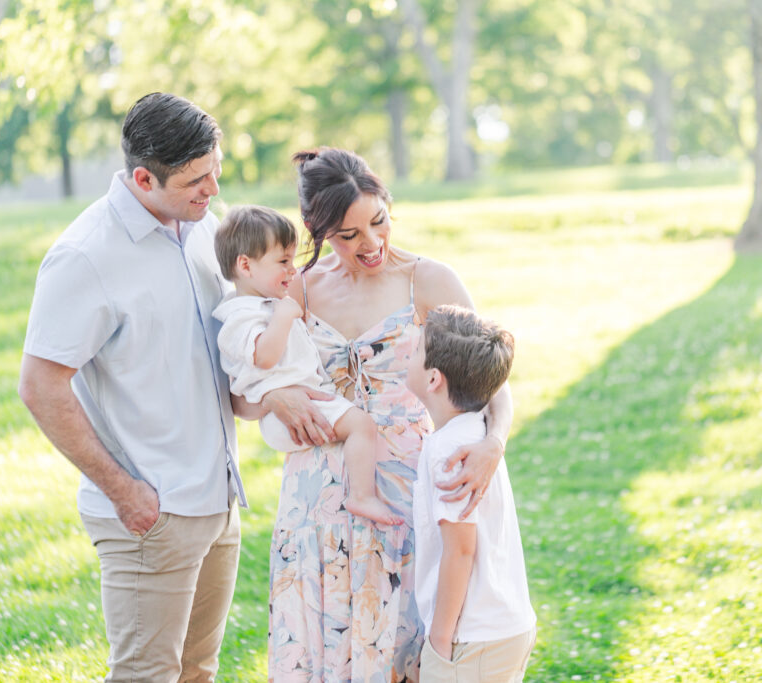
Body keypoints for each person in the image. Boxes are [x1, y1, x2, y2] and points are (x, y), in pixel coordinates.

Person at [256, 148, 514, 682]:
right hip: (315, 498)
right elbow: (249, 376)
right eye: (349, 236)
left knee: (402, 644)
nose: (370, 244)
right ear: (318, 229)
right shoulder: (298, 289)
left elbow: (491, 380)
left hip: (404, 487)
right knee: (320, 645)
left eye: (378, 221)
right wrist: (274, 397)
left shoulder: (429, 281)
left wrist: (495, 443)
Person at [18, 92, 245, 683]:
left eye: (215, 172)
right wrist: (124, 493)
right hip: (152, 513)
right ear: (144, 178)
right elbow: (41, 386)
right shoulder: (84, 256)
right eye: (197, 180)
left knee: (198, 671)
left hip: (218, 505)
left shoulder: (200, 228)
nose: (213, 191)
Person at [212, 205, 402, 526]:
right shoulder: (241, 315)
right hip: (284, 414)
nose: (292, 270)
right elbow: (265, 357)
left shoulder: (262, 306)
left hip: (300, 404)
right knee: (362, 426)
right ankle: (361, 496)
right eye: (283, 262)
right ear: (245, 265)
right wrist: (285, 316)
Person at [406, 305, 536, 682]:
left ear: (433, 379)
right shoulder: (475, 431)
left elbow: (460, 549)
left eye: (415, 351)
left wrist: (440, 639)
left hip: (473, 637)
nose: (409, 356)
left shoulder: (450, 450)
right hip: (503, 626)